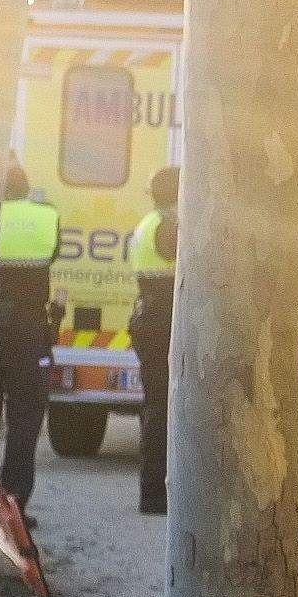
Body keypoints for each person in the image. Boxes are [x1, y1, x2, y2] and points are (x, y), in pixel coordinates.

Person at [0, 165, 62, 512]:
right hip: (29, 331)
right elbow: (53, 253)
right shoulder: (45, 217)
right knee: (24, 421)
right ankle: (14, 504)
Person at [130, 167, 180, 515]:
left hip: (150, 318)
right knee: (162, 410)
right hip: (161, 323)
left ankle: (154, 491)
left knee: (156, 407)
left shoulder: (150, 222)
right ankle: (154, 494)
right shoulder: (168, 228)